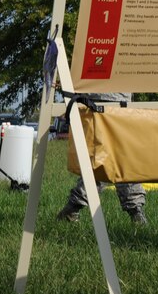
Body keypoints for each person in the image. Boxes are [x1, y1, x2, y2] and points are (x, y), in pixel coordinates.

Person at [56, 93, 147, 224]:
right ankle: (136, 211)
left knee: (102, 162)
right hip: (116, 101)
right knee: (121, 161)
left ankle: (73, 207)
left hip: (96, 100)